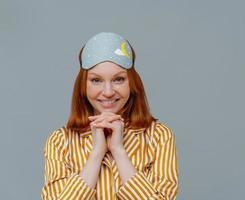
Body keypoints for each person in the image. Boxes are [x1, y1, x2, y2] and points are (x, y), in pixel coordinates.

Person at [41, 32, 179, 199]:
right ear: (83, 86)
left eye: (118, 79)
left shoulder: (158, 136)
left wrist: (118, 150)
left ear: (132, 83)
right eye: (96, 80)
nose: (107, 92)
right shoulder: (60, 142)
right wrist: (97, 152)